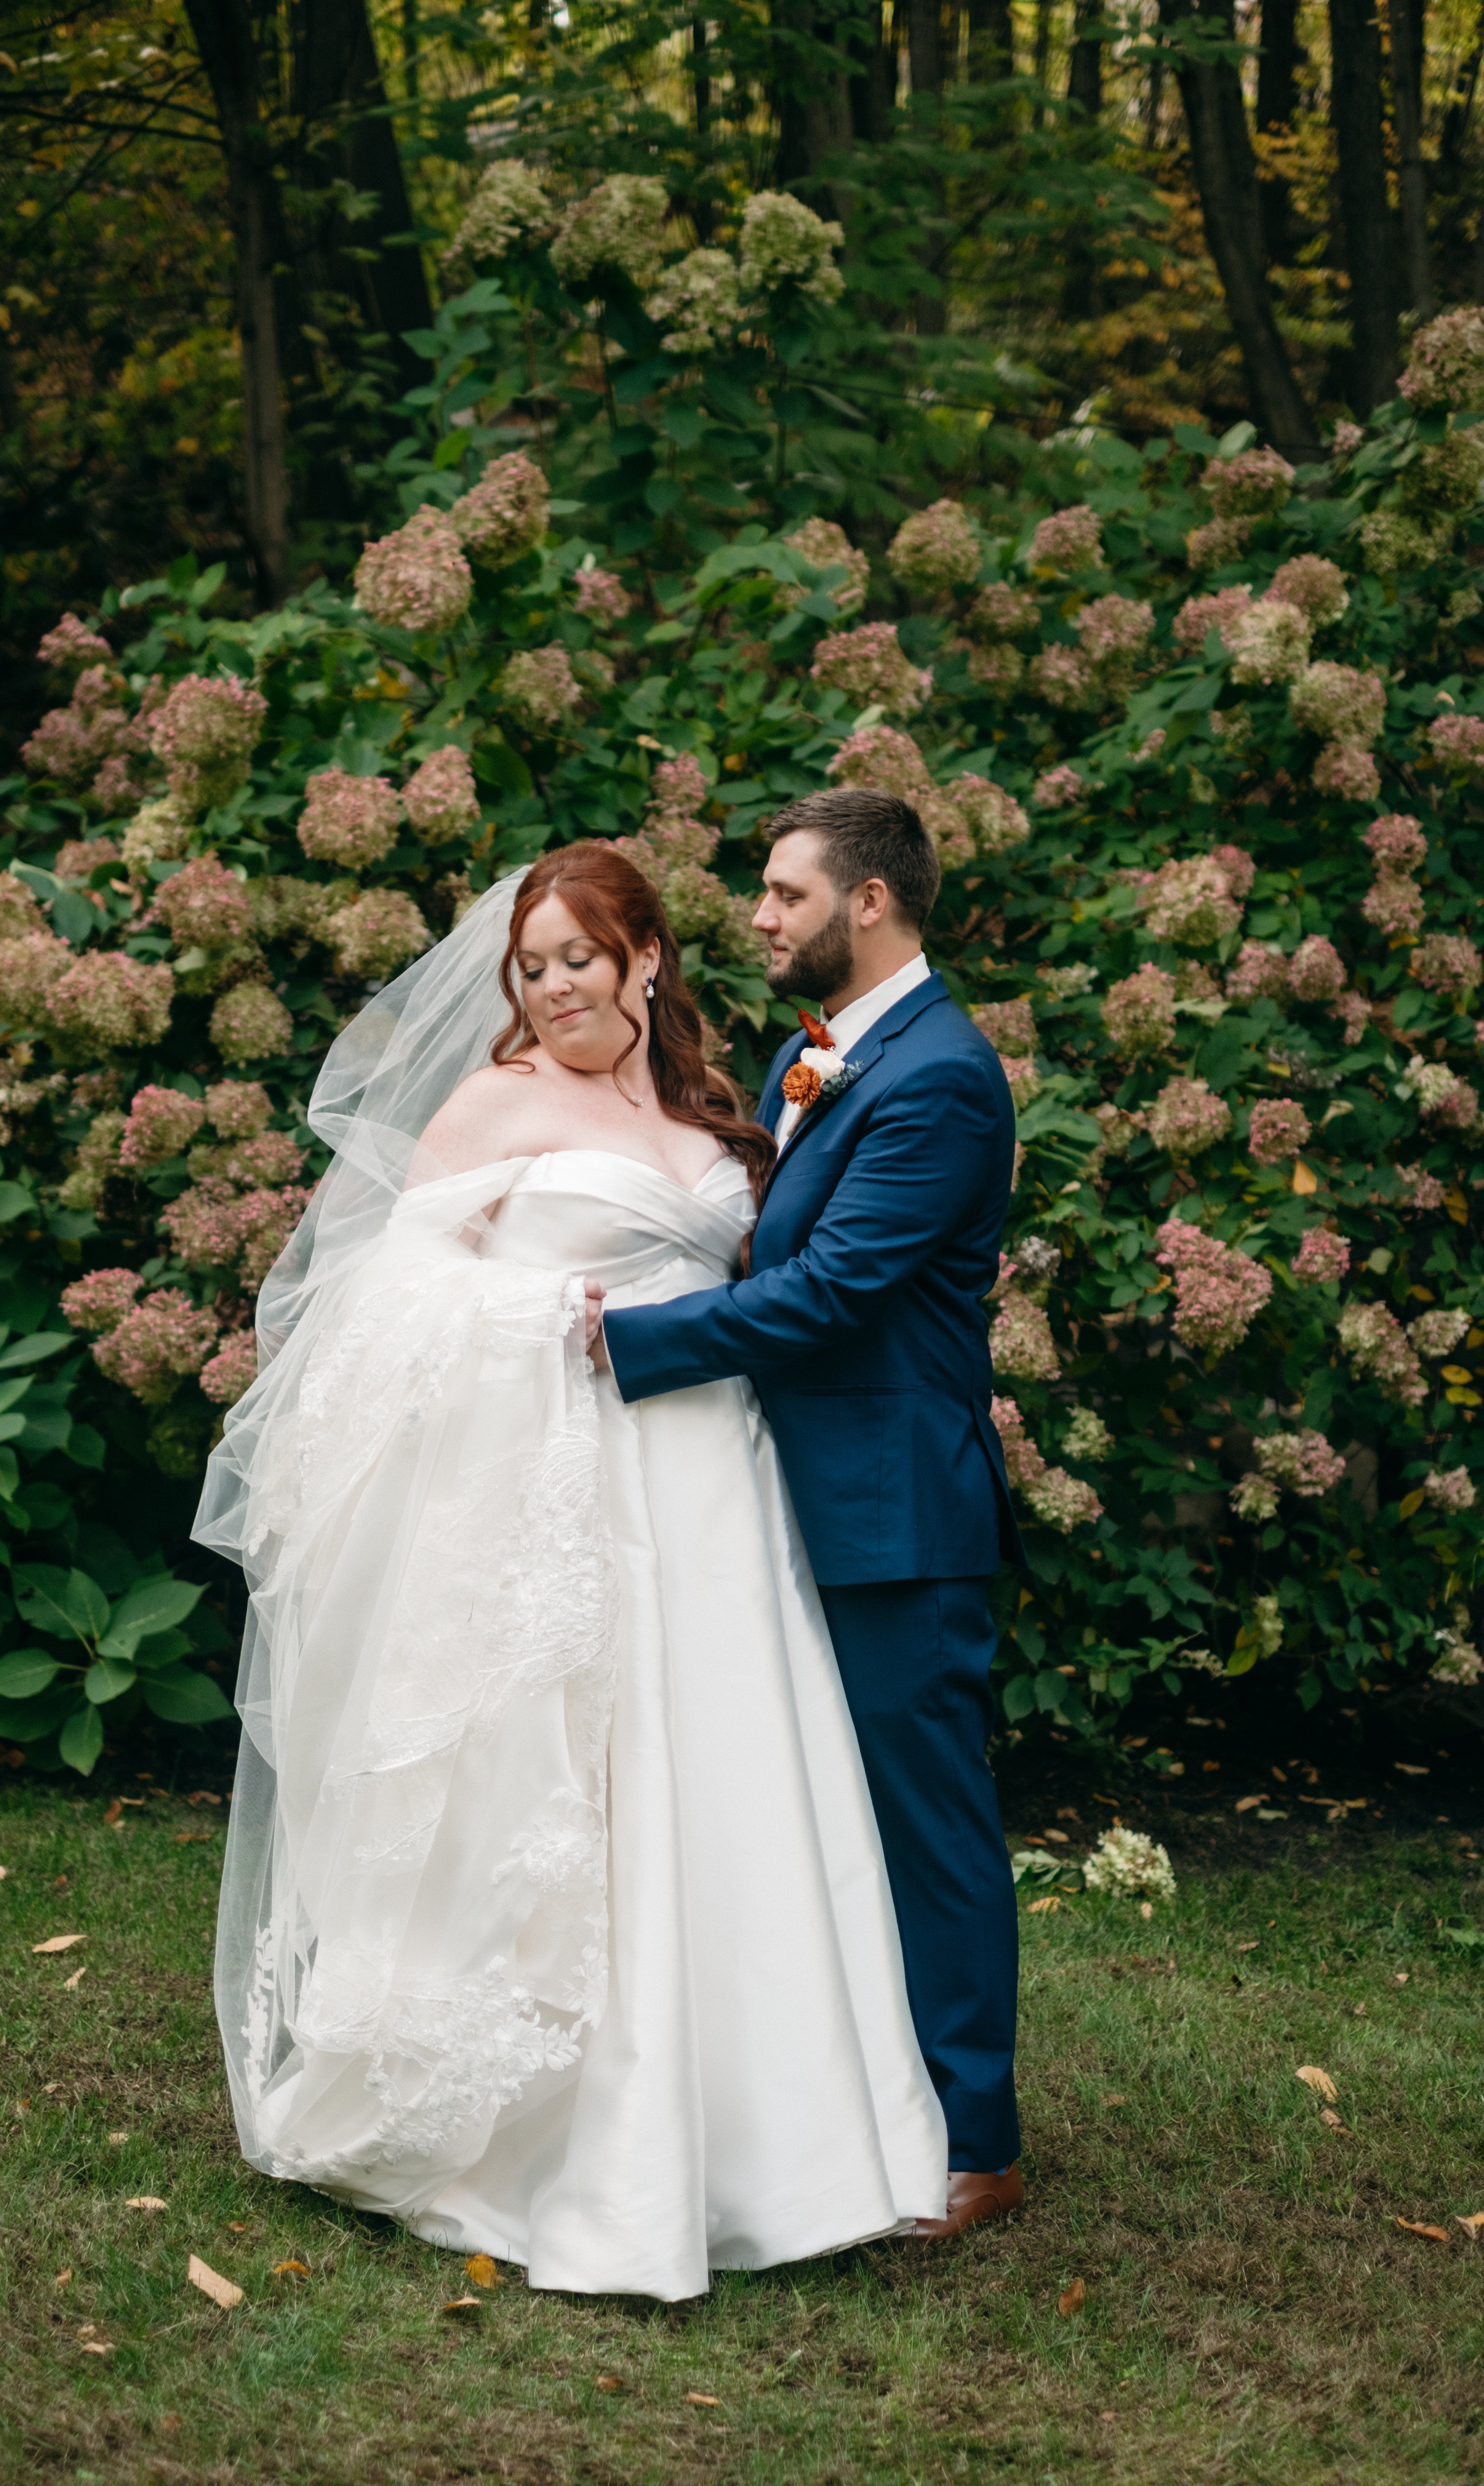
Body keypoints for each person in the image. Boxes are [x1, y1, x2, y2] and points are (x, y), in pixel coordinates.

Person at [193, 838, 948, 2302]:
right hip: (562, 1493)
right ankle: (553, 2146)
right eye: (530, 969)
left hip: (720, 1497)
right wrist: (542, 1327)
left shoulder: (717, 1113)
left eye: (580, 962)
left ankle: (779, 2143)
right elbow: (381, 1312)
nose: (553, 992)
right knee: (569, 1796)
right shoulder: (487, 1107)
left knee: (732, 1794)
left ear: (644, 960)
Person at [587, 787, 1027, 2239]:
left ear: (871, 904)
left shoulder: (941, 1078)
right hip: (789, 1498)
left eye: (783, 895)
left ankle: (975, 2142)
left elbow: (836, 1291)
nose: (759, 916)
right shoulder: (815, 1054)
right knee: (819, 1819)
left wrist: (639, 1341)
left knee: (926, 1829)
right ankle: (857, 2104)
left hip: (893, 1512)